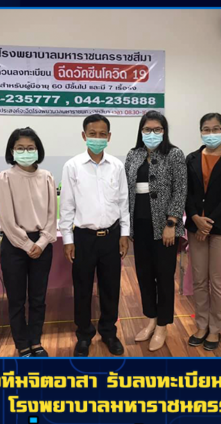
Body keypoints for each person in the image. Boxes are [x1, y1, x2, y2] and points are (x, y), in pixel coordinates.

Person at [59, 114, 130, 357]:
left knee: (110, 287)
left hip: (111, 236)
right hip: (83, 238)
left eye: (102, 134)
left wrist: (124, 234)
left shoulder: (117, 166)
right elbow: (66, 206)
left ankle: (109, 332)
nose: (97, 138)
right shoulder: (72, 166)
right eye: (92, 134)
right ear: (84, 136)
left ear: (109, 137)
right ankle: (84, 335)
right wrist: (68, 239)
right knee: (82, 288)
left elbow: (123, 202)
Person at [124, 111, 186, 351]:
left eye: (157, 129)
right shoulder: (133, 155)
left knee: (164, 276)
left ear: (164, 131)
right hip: (139, 225)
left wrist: (171, 223)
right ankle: (151, 319)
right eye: (147, 129)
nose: (152, 133)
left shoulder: (174, 154)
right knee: (144, 275)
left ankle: (162, 325)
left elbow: (180, 189)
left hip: (165, 228)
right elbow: (126, 190)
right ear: (141, 131)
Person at [0, 127, 57, 357]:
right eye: (20, 148)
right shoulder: (4, 178)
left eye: (30, 148)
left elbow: (52, 215)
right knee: (17, 299)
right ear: (12, 151)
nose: (25, 151)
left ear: (38, 150)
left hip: (42, 244)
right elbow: (6, 219)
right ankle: (22, 344)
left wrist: (41, 242)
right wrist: (27, 244)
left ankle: (36, 341)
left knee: (38, 298)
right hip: (15, 245)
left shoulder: (47, 177)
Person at [184, 113, 221, 351]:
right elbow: (186, 193)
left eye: (216, 129)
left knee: (218, 282)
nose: (211, 134)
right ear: (201, 132)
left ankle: (215, 329)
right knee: (199, 281)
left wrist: (208, 225)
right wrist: (195, 218)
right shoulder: (191, 158)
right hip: (195, 226)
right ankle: (201, 325)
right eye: (206, 129)